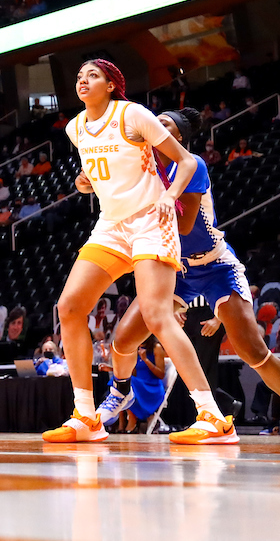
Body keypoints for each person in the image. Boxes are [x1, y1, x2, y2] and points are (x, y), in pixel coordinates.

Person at [44, 59, 231, 444]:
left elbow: (186, 161)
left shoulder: (132, 114)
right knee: (70, 307)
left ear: (112, 84)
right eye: (79, 76)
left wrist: (169, 195)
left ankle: (212, 417)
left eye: (92, 75)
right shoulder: (75, 128)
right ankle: (86, 417)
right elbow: (103, 174)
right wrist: (83, 183)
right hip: (112, 226)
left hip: (151, 221)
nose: (83, 81)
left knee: (157, 314)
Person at [98, 107, 279, 442]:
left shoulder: (191, 163)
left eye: (164, 124)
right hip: (175, 269)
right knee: (123, 340)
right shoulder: (140, 169)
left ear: (178, 136)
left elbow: (182, 226)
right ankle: (120, 391)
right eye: (153, 121)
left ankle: (214, 415)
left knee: (253, 352)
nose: (154, 126)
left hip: (214, 265)